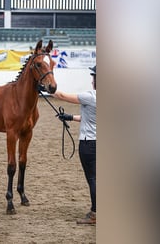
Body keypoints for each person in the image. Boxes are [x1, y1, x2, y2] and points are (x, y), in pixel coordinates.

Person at [52, 65, 96, 225]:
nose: (92, 81)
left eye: (93, 78)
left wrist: (46, 87)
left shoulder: (91, 96)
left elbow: (61, 95)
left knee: (92, 178)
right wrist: (70, 117)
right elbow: (89, 118)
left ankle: (95, 213)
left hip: (88, 143)